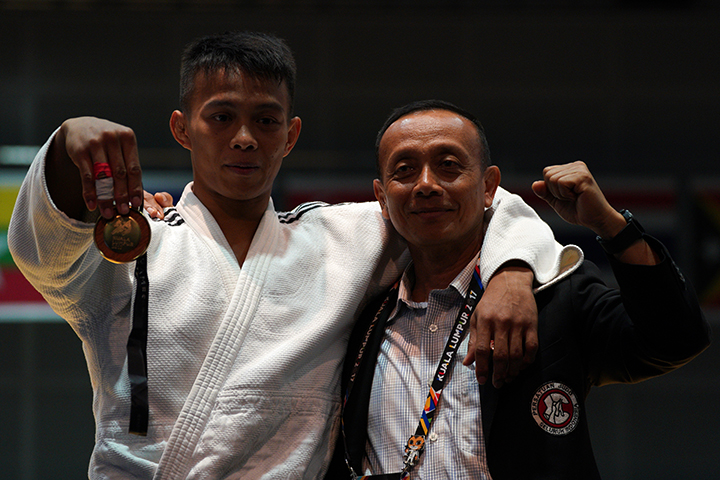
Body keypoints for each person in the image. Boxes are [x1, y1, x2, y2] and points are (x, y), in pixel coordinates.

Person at [7, 33, 574, 479]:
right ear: (182, 128)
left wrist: (510, 272)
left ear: (291, 134)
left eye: (266, 119)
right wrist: (65, 143)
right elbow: (42, 251)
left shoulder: (343, 238)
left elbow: (488, 205)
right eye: (222, 116)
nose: (245, 137)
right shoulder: (134, 244)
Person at [331, 100, 711, 480]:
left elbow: (675, 341)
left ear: (488, 187)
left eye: (448, 165)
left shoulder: (553, 298)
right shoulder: (355, 322)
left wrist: (612, 227)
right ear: (382, 197)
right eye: (404, 170)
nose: (426, 184)